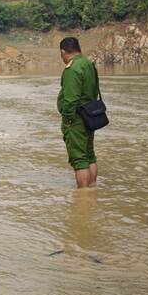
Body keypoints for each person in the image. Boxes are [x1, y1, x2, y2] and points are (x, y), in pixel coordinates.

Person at [57, 37, 99, 189]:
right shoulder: (88, 64)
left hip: (77, 120)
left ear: (63, 52)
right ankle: (92, 188)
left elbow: (70, 100)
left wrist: (67, 120)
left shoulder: (72, 69)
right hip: (90, 115)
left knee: (79, 159)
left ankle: (83, 196)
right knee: (89, 155)